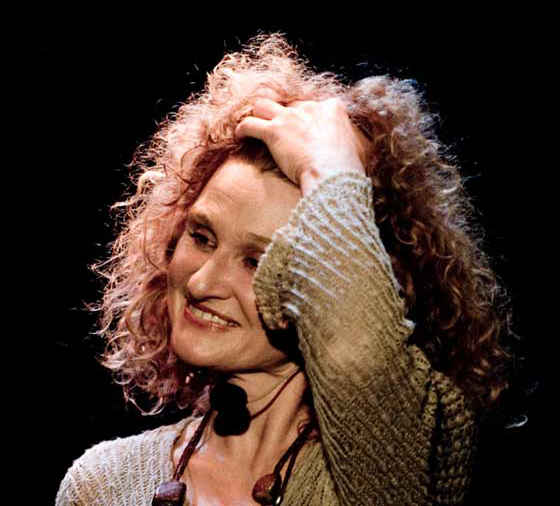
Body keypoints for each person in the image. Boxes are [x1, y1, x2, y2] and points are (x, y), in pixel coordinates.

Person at [56, 32, 516, 505]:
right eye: (201, 237)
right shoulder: (103, 484)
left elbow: (359, 360)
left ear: (352, 272)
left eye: (257, 262)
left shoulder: (403, 464)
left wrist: (331, 171)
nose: (201, 282)